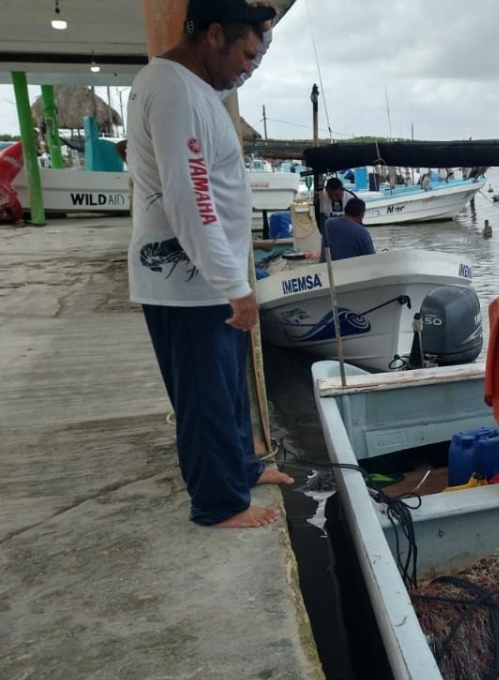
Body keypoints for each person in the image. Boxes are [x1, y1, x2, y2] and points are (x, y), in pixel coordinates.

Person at [125, 0, 292, 529]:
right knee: (202, 396)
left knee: (225, 386)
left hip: (204, 282)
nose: (248, 68)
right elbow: (190, 196)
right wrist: (233, 284)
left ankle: (240, 466)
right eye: (246, 54)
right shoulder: (175, 91)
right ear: (214, 35)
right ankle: (218, 504)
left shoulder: (191, 89)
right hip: (190, 283)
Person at [305, 197, 374, 262]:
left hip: (327, 269)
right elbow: (371, 258)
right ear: (362, 214)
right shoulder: (362, 233)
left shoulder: (328, 223)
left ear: (345, 209)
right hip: (350, 270)